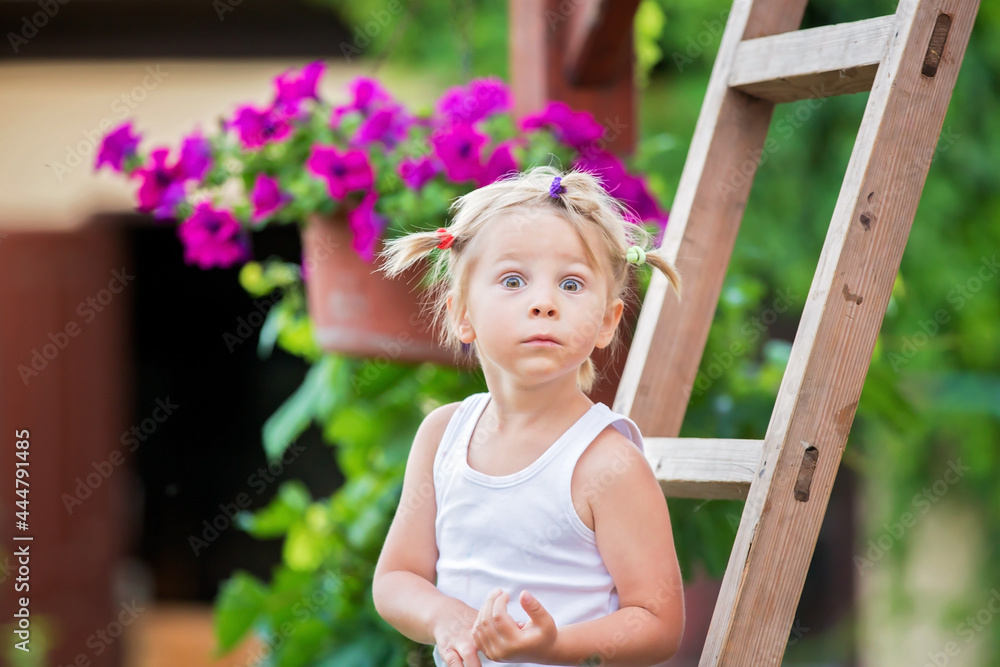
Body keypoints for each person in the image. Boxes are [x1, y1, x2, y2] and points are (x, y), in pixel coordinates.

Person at [371, 165, 685, 667]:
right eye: (513, 280)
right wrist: (444, 617)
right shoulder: (442, 437)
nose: (543, 303)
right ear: (462, 315)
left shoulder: (607, 464)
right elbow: (395, 579)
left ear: (607, 321)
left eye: (571, 284)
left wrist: (555, 646)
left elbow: (657, 623)